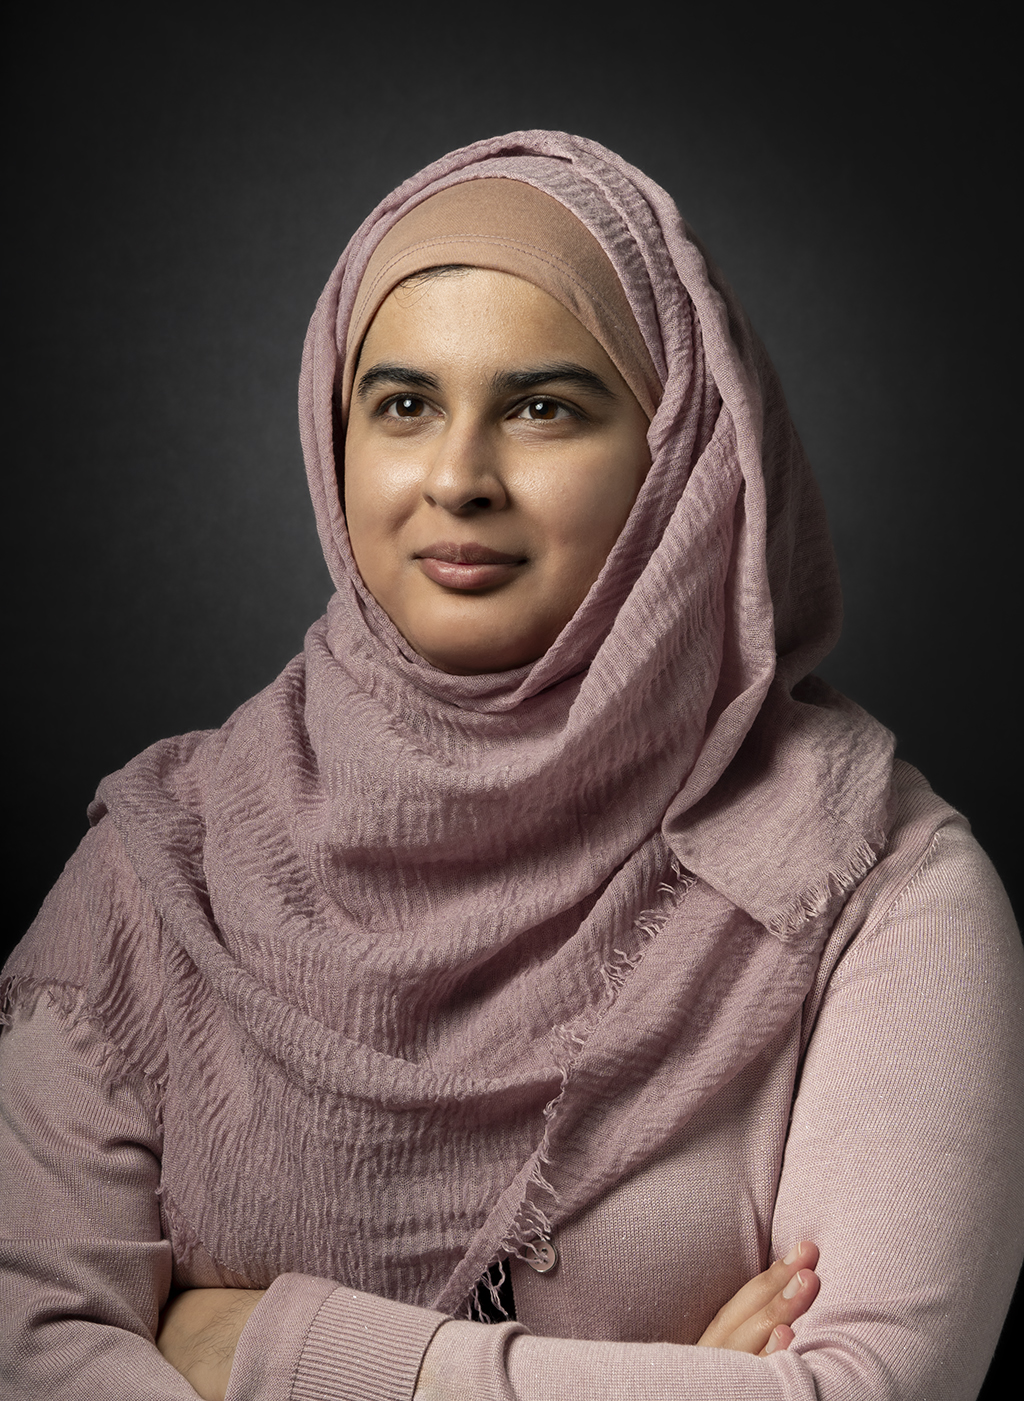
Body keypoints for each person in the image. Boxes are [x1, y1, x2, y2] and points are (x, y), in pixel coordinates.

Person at [1, 130, 1021, 1401]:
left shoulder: (863, 876)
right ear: (338, 439)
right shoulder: (164, 868)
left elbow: (870, 1390)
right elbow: (29, 1359)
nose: (456, 477)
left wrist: (274, 1353)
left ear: (679, 453)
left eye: (544, 407)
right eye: (404, 404)